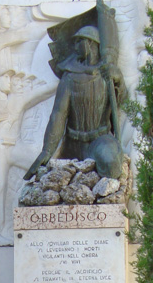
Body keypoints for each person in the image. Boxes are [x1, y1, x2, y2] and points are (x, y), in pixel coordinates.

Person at [23, 25, 125, 181]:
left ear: (90, 43)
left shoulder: (106, 74)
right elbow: (58, 115)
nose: (75, 47)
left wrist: (119, 81)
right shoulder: (69, 76)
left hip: (100, 141)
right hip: (73, 145)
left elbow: (121, 102)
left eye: (79, 41)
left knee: (111, 164)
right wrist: (47, 150)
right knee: (56, 180)